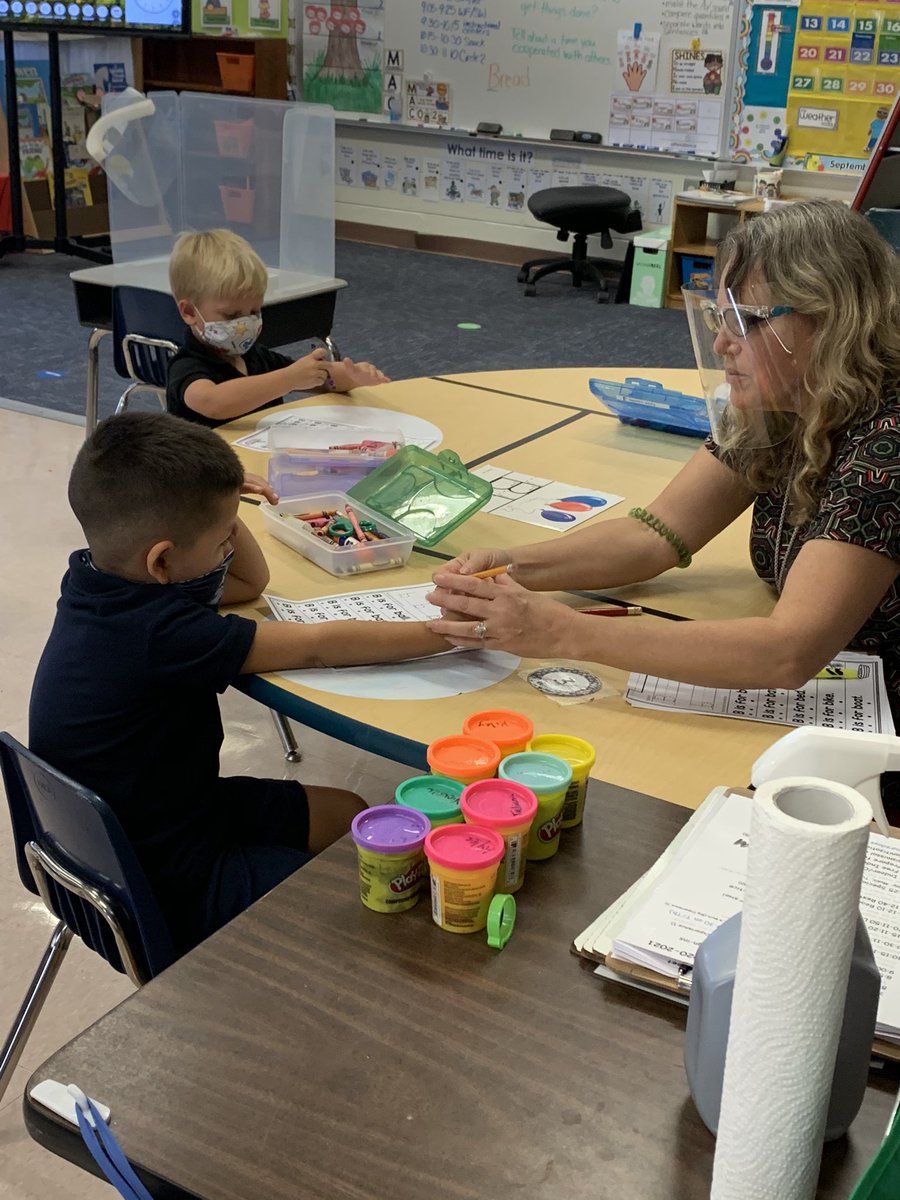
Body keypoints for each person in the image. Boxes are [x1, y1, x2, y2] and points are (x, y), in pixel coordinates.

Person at [427, 201, 900, 736]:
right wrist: (512, 569)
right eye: (718, 318)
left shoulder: (887, 445)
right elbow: (655, 536)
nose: (722, 343)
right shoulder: (787, 405)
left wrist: (559, 631)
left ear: (834, 320)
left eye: (744, 322)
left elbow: (786, 654)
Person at [29, 412, 447, 955]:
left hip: (159, 820)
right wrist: (450, 632)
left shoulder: (99, 578)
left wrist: (220, 506)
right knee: (376, 897)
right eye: (222, 539)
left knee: (350, 814)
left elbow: (251, 582)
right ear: (161, 560)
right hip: (166, 882)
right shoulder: (164, 634)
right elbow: (318, 645)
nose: (228, 549)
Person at [166, 228, 389, 428]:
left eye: (254, 312)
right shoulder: (186, 366)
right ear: (189, 312)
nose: (245, 324)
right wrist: (288, 379)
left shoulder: (256, 358)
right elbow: (212, 402)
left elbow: (318, 378)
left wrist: (350, 377)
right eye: (231, 315)